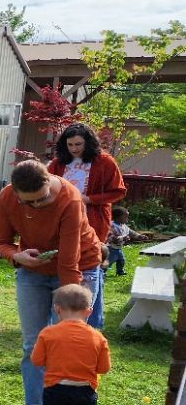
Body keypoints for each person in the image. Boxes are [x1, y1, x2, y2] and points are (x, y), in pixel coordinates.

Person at [0, 158, 105, 405]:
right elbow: (2, 242)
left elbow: (68, 261)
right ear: (14, 192)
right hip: (33, 271)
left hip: (79, 267)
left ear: (49, 181)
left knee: (66, 346)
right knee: (34, 344)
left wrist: (70, 312)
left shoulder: (69, 199)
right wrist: (15, 256)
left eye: (41, 199)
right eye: (28, 203)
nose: (37, 206)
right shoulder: (7, 198)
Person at [29, 283, 110, 405]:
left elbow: (36, 361)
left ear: (57, 309)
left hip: (55, 391)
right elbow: (104, 368)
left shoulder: (48, 334)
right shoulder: (98, 338)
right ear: (89, 311)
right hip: (84, 392)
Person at [47, 122, 125, 328]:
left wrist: (90, 199)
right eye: (70, 144)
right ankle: (66, 312)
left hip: (94, 220)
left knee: (93, 264)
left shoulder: (105, 162)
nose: (74, 149)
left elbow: (118, 191)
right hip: (63, 220)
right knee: (68, 260)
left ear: (88, 142)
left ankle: (94, 321)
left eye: (78, 144)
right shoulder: (58, 163)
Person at [107, 206, 132, 276]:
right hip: (111, 248)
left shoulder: (123, 226)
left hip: (118, 248)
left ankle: (120, 271)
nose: (127, 219)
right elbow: (114, 239)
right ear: (118, 217)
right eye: (125, 217)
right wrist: (123, 238)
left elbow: (130, 232)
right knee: (109, 261)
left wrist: (139, 236)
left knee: (121, 260)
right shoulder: (112, 226)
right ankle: (102, 271)